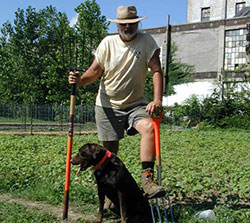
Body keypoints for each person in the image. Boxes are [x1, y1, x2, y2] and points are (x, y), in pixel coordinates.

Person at [68, 5, 165, 199]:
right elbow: (94, 71)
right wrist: (79, 81)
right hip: (107, 106)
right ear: (118, 25)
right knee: (110, 154)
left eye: (131, 24)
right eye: (123, 24)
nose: (127, 27)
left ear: (137, 23)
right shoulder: (107, 43)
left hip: (136, 104)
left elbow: (156, 70)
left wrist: (157, 99)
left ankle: (147, 180)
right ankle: (113, 198)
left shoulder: (146, 42)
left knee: (149, 128)